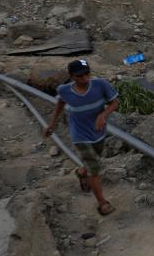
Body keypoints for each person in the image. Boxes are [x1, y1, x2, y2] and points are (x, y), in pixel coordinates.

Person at [45, 60, 119, 215]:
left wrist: (103, 115)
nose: (85, 78)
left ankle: (81, 172)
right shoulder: (64, 90)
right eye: (80, 76)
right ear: (72, 77)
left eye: (87, 74)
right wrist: (52, 125)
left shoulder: (100, 85)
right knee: (95, 168)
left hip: (98, 133)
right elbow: (60, 105)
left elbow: (114, 103)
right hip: (80, 135)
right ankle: (102, 203)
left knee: (94, 161)